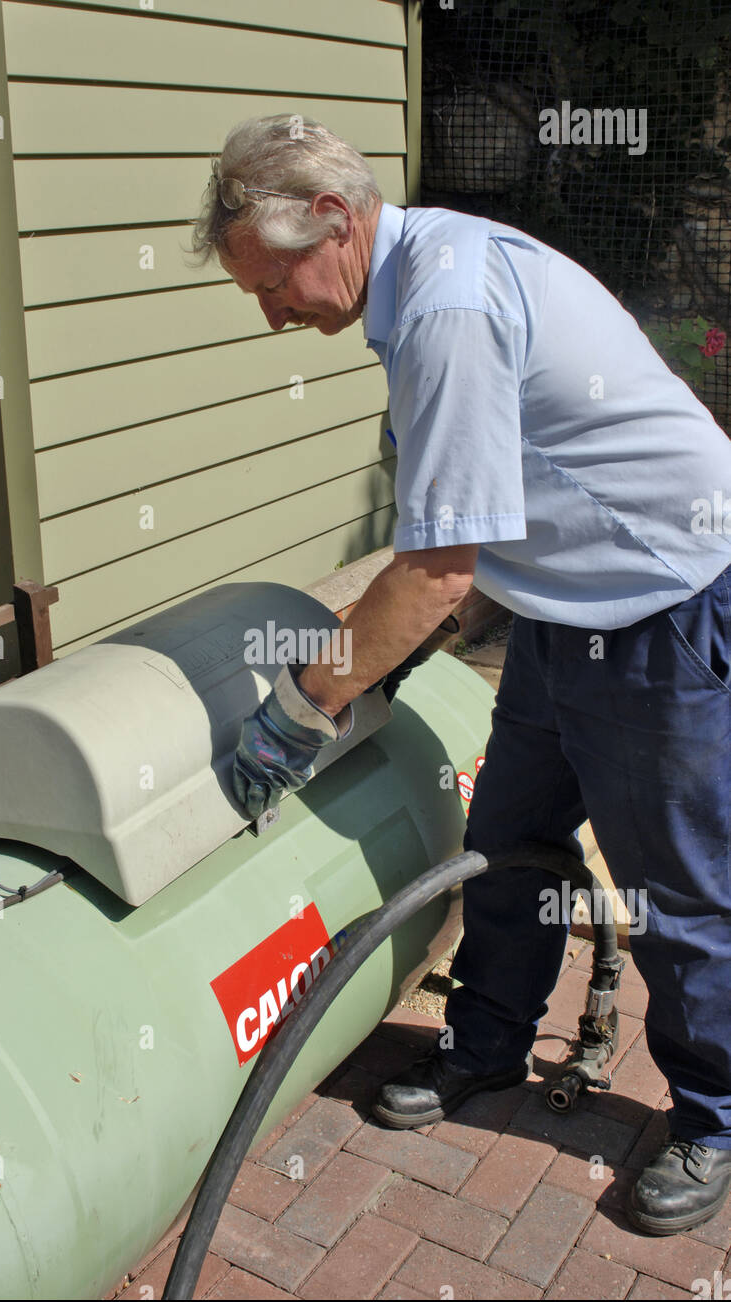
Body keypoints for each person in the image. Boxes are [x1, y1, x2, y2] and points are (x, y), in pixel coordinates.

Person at [192, 114, 731, 1236]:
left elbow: (435, 568)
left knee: (674, 891)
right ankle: (483, 1047)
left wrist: (298, 715)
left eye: (274, 279)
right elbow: (487, 511)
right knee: (503, 844)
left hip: (657, 609)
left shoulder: (442, 304)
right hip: (560, 611)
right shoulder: (417, 276)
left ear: (334, 219)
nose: (272, 309)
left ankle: (713, 1116)